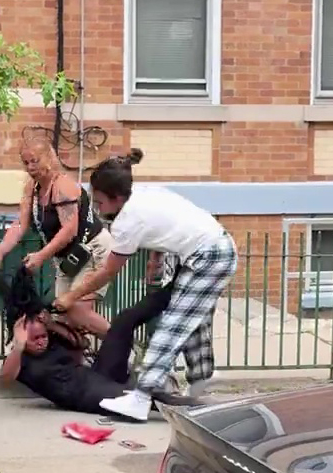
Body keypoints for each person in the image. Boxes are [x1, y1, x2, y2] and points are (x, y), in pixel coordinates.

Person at [54, 149, 238, 422]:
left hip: (209, 256)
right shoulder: (141, 193)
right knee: (193, 321)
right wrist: (156, 258)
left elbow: (107, 272)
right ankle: (202, 385)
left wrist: (71, 296)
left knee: (172, 325)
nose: (97, 208)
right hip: (209, 249)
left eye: (100, 202)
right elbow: (165, 226)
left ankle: (140, 399)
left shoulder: (127, 221)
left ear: (117, 198)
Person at [0, 266, 193, 414]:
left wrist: (53, 326)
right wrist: (19, 346)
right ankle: (195, 406)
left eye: (43, 336)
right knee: (146, 395)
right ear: (22, 338)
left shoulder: (51, 339)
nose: (42, 341)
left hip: (98, 375)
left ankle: (176, 287)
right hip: (85, 395)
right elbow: (4, 380)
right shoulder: (20, 360)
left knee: (124, 321)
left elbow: (82, 344)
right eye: (35, 339)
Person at [0, 130, 113, 339]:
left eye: (35, 161)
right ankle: (79, 357)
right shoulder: (32, 188)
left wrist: (41, 256)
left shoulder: (62, 186)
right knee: (62, 317)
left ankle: (123, 345)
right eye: (26, 163)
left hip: (92, 249)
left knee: (77, 311)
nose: (30, 167)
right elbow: (20, 224)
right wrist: (0, 250)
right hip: (69, 259)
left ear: (50, 158)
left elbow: (69, 230)